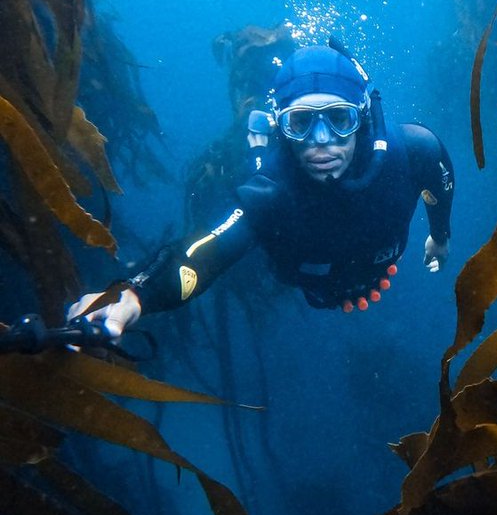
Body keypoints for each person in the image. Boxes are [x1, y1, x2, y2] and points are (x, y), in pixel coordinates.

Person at [68, 40, 454, 334]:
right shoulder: (269, 194)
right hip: (308, 279)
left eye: (339, 119)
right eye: (301, 123)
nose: (322, 141)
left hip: (368, 272)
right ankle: (257, 144)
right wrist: (136, 295)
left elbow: (440, 185)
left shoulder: (415, 151)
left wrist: (440, 236)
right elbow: (207, 252)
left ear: (363, 118)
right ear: (282, 129)